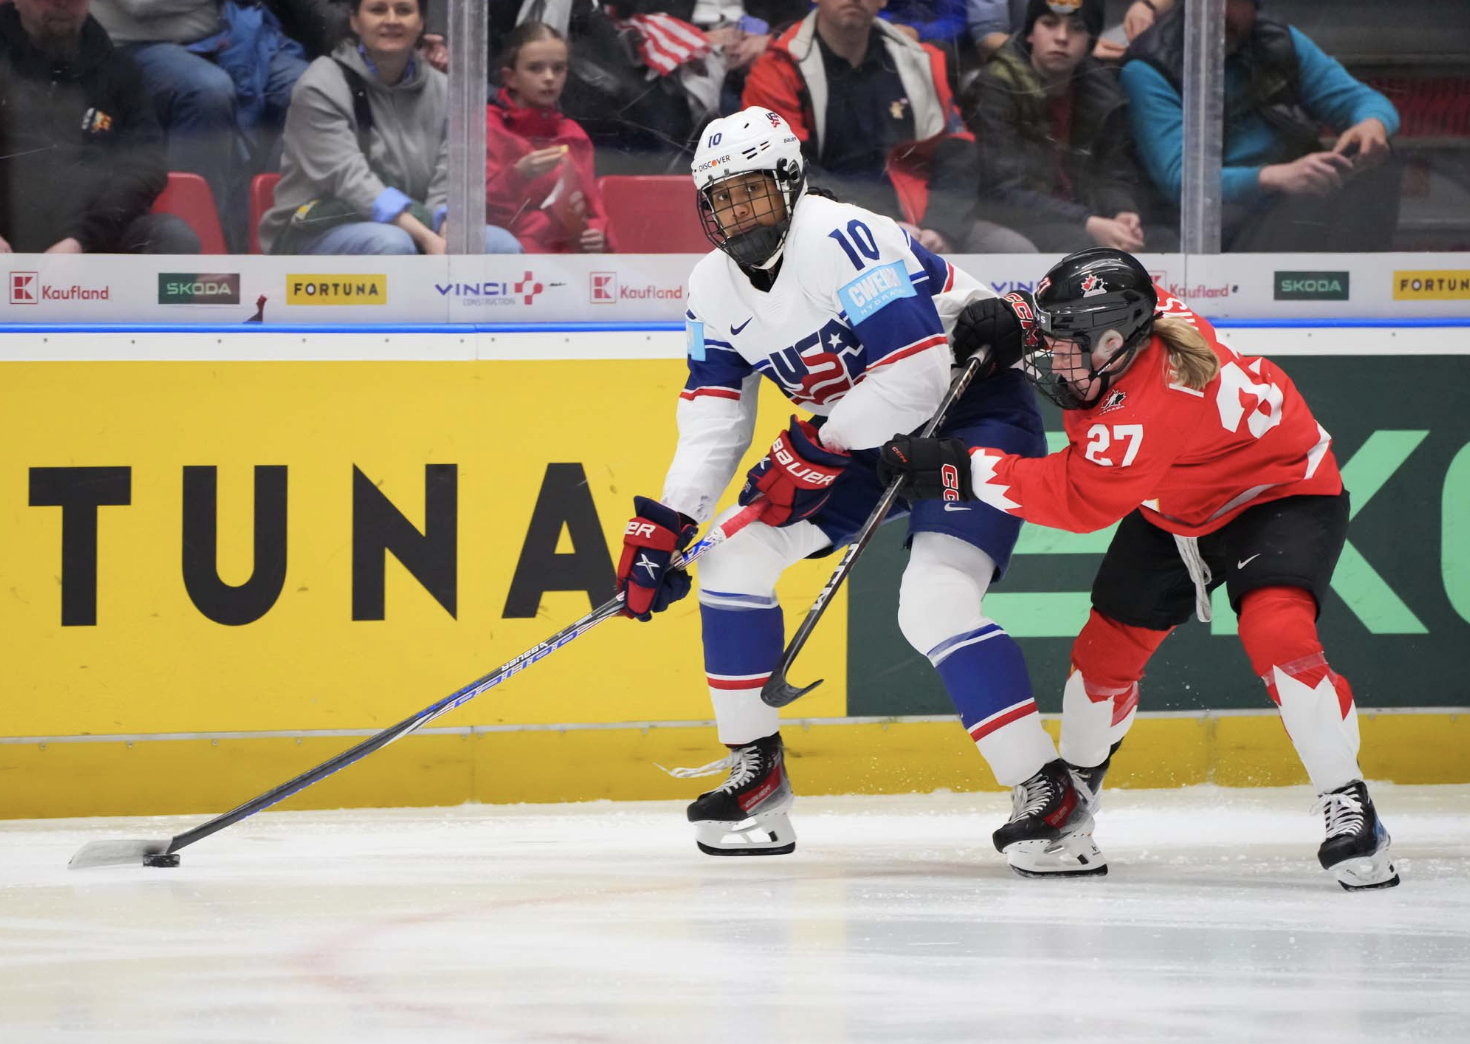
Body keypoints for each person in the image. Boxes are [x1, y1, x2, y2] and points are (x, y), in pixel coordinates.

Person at [614, 106, 1103, 878]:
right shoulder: (709, 287)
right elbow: (713, 415)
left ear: (790, 183)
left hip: (965, 415)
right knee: (731, 559)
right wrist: (670, 521)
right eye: (721, 200)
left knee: (933, 601)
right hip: (855, 432)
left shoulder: (843, 238)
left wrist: (814, 446)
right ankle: (757, 775)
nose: (737, 215)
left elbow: (916, 375)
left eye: (752, 194)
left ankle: (1048, 796)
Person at [877, 247, 1400, 891]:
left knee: (1278, 634)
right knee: (1102, 657)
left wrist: (960, 468)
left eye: (1067, 344)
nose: (1055, 358)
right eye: (1057, 337)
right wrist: (1018, 317)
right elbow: (1070, 319)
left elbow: (1076, 499)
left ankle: (1350, 806)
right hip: (1174, 503)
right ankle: (1072, 802)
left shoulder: (1153, 400)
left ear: (1116, 341)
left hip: (1279, 495)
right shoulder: (1129, 327)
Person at [742, 0, 1029, 253]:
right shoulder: (778, 68)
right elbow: (785, 171)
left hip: (922, 222)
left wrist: (941, 229)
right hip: (825, 226)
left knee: (1014, 250)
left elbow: (958, 150)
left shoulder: (917, 59)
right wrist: (878, 223)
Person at [1120, 0, 1402, 252]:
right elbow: (1180, 178)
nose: (1222, 12)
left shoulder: (1277, 39)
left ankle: (1359, 287)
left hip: (1287, 197)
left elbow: (1360, 99)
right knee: (1306, 197)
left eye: (1236, 2)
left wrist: (1373, 124)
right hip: (1211, 221)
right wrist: (1273, 177)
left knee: (1378, 163)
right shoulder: (1148, 66)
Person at [260, 0, 520, 255]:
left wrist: (446, 229)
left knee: (501, 246)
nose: (392, 20)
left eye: (404, 10)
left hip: (417, 225)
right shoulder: (320, 84)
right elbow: (349, 180)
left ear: (421, 23)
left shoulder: (446, 91)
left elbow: (449, 182)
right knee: (391, 244)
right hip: (316, 231)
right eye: (378, 9)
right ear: (355, 20)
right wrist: (426, 238)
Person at [90, 0, 312, 251]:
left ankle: (274, 245)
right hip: (139, 46)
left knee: (309, 90)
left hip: (230, 37)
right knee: (207, 90)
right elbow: (142, 4)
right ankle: (201, 247)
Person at [961, 0, 1177, 253]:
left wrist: (1122, 211)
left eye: (1076, 28)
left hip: (1085, 216)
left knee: (1161, 240)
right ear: (1030, 33)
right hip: (1017, 217)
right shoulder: (996, 87)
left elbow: (1114, 173)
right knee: (1078, 244)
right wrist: (1087, 221)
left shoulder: (1103, 92)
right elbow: (1000, 190)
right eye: (1049, 24)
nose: (1062, 38)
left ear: (1091, 41)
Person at [0, 0, 200, 254]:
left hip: (92, 239)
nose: (62, 3)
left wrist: (81, 239)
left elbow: (146, 166)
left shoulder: (118, 69)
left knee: (172, 237)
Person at [487, 22, 610, 254]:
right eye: (535, 68)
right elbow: (479, 213)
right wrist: (518, 175)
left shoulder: (574, 135)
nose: (549, 78)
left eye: (558, 68)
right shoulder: (487, 127)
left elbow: (593, 207)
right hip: (510, 263)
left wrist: (597, 231)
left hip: (569, 260)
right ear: (510, 77)